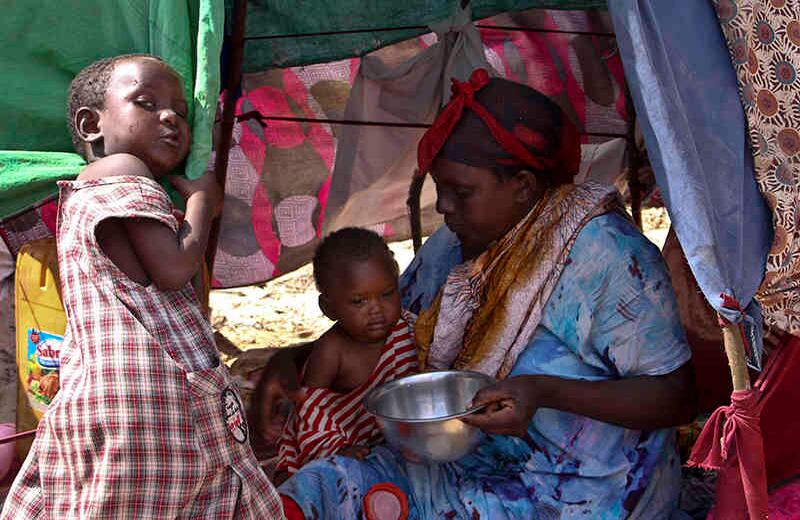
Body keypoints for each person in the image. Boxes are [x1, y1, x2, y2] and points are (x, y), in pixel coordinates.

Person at [257, 69, 696, 519]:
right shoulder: (452, 247)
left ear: (523, 187)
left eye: (461, 192)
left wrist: (541, 392)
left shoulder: (604, 257)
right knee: (317, 491)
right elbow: (380, 329)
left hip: (585, 493)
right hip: (462, 467)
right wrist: (292, 361)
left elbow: (678, 395)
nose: (444, 206)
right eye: (439, 189)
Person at [1, 54, 284, 519]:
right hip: (146, 396)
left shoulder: (87, 194)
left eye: (180, 110)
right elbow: (173, 269)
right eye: (146, 103)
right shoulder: (122, 169)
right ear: (92, 124)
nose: (170, 116)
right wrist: (201, 203)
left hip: (103, 397)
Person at [272, 227, 418, 484]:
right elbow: (310, 413)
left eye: (387, 294)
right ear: (329, 308)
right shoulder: (332, 351)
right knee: (309, 487)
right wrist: (336, 450)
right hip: (325, 443)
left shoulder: (406, 328)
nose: (377, 310)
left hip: (383, 440)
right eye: (359, 301)